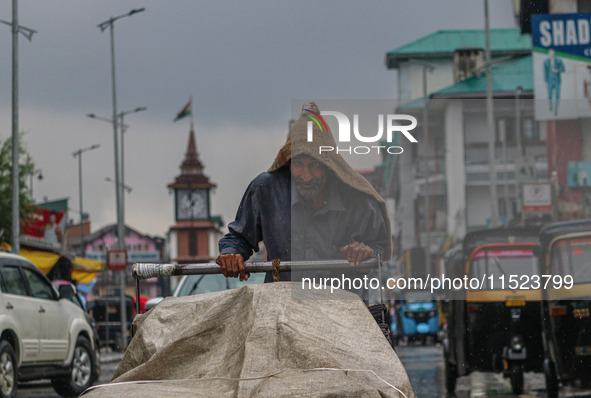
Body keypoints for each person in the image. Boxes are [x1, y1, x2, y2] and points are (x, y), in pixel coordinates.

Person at [216, 102, 391, 300]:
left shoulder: (356, 199)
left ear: (328, 165)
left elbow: (379, 248)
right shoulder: (266, 190)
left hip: (342, 308)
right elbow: (239, 238)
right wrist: (231, 254)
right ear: (288, 161)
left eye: (315, 165)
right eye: (298, 164)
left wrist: (364, 254)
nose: (306, 176)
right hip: (282, 308)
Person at [544, 49, 565, 116]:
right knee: (550, 95)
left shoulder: (559, 60)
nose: (551, 55)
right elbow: (545, 72)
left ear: (554, 54)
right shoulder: (546, 62)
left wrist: (557, 70)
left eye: (552, 54)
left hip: (557, 80)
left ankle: (556, 110)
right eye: (550, 54)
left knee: (557, 96)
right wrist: (546, 82)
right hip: (550, 81)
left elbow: (563, 69)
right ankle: (550, 107)